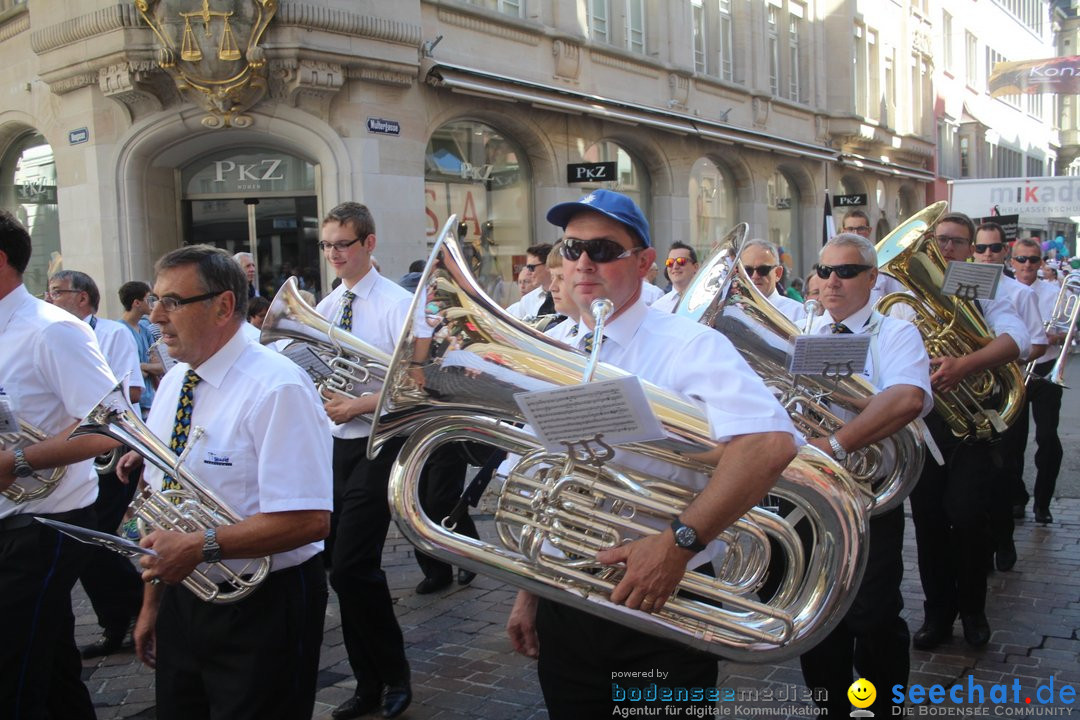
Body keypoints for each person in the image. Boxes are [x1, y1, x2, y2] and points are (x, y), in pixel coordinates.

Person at [504, 189, 799, 718]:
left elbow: (769, 443)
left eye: (603, 248)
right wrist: (531, 591)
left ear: (643, 263)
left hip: (665, 592)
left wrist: (677, 545)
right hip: (565, 595)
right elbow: (546, 481)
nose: (584, 261)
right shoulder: (553, 349)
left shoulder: (689, 345)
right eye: (572, 248)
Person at [126, 244, 332, 720]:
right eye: (156, 300)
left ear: (222, 307)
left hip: (264, 607)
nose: (155, 316)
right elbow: (163, 501)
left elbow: (309, 519)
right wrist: (152, 604)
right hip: (185, 593)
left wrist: (199, 545)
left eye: (172, 302)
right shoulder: (177, 382)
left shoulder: (278, 386)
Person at [797, 233, 933, 718]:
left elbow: (908, 399)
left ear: (873, 279)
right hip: (808, 494)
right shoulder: (800, 324)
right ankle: (830, 708)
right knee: (813, 611)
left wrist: (833, 444)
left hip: (867, 494)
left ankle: (881, 709)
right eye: (824, 270)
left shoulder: (893, 332)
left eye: (847, 272)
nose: (832, 281)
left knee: (872, 613)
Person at [0, 210, 120, 720]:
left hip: (45, 523)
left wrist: (15, 459)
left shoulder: (51, 330)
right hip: (10, 519)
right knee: (48, 666)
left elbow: (107, 424)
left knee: (12, 671)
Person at [314, 202, 420, 720]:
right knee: (341, 568)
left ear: (369, 244)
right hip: (336, 443)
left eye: (343, 244)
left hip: (384, 441)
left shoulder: (399, 304)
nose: (334, 253)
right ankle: (368, 682)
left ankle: (394, 675)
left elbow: (419, 388)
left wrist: (357, 403)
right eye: (327, 244)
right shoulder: (328, 307)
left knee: (354, 563)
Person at [908, 212, 1030, 651]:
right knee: (927, 522)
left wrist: (965, 365)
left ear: (971, 248)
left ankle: (973, 610)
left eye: (958, 242)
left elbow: (1015, 337)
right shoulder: (904, 292)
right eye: (940, 240)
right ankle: (937, 613)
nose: (946, 249)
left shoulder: (977, 282)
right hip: (922, 424)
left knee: (966, 517)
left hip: (972, 420)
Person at [47, 270, 149, 660]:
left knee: (96, 540)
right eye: (50, 292)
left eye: (58, 292)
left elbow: (132, 389)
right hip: (78, 451)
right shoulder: (52, 333)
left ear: (84, 298)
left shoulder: (112, 333)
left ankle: (132, 610)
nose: (51, 298)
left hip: (114, 448)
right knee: (89, 543)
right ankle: (119, 616)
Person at [973, 222, 1047, 570]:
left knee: (1004, 470)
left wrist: (992, 352)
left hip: (1004, 392)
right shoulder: (959, 288)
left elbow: (1036, 343)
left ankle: (1002, 541)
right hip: (965, 394)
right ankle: (979, 544)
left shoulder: (1019, 292)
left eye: (994, 249)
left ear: (1005, 252)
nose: (987, 254)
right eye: (981, 249)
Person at [1009, 238, 1064, 524]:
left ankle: (1043, 502)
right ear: (1012, 262)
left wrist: (1057, 336)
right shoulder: (1005, 291)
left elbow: (1071, 332)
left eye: (1033, 259)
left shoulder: (1054, 292)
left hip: (1045, 369)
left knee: (1047, 438)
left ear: (1041, 263)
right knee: (1013, 441)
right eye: (1021, 259)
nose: (1027, 265)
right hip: (1015, 372)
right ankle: (1017, 499)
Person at [118, 281, 164, 418]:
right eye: (148, 299)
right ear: (137, 303)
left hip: (150, 402)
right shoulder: (119, 331)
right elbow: (125, 373)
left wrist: (142, 366)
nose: (152, 304)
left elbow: (161, 366)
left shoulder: (146, 331)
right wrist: (142, 370)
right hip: (131, 406)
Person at [740, 238, 806, 324]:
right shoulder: (730, 312)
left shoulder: (799, 313)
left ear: (778, 273)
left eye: (763, 270)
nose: (755, 276)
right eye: (748, 270)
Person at [507, 244, 554, 321]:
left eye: (531, 267)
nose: (528, 272)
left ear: (548, 265)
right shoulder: (527, 300)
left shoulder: (568, 296)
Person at [652, 242, 699, 313]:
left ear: (695, 267)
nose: (675, 266)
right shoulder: (657, 308)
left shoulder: (710, 301)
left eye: (681, 261)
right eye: (670, 262)